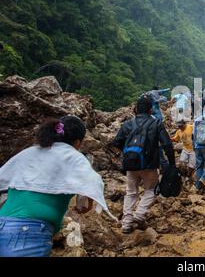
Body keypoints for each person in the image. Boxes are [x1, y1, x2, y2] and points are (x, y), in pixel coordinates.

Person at [0, 116, 112, 257]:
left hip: (3, 221)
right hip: (28, 233)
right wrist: (86, 203)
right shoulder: (73, 157)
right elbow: (91, 183)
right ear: (78, 142)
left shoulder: (30, 152)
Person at [113, 95, 176, 234]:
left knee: (130, 192)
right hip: (149, 165)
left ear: (135, 110)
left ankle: (126, 223)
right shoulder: (156, 123)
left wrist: (127, 153)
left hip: (130, 164)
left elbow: (116, 142)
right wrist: (172, 163)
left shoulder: (128, 124)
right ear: (150, 110)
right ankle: (140, 214)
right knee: (152, 189)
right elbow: (167, 144)